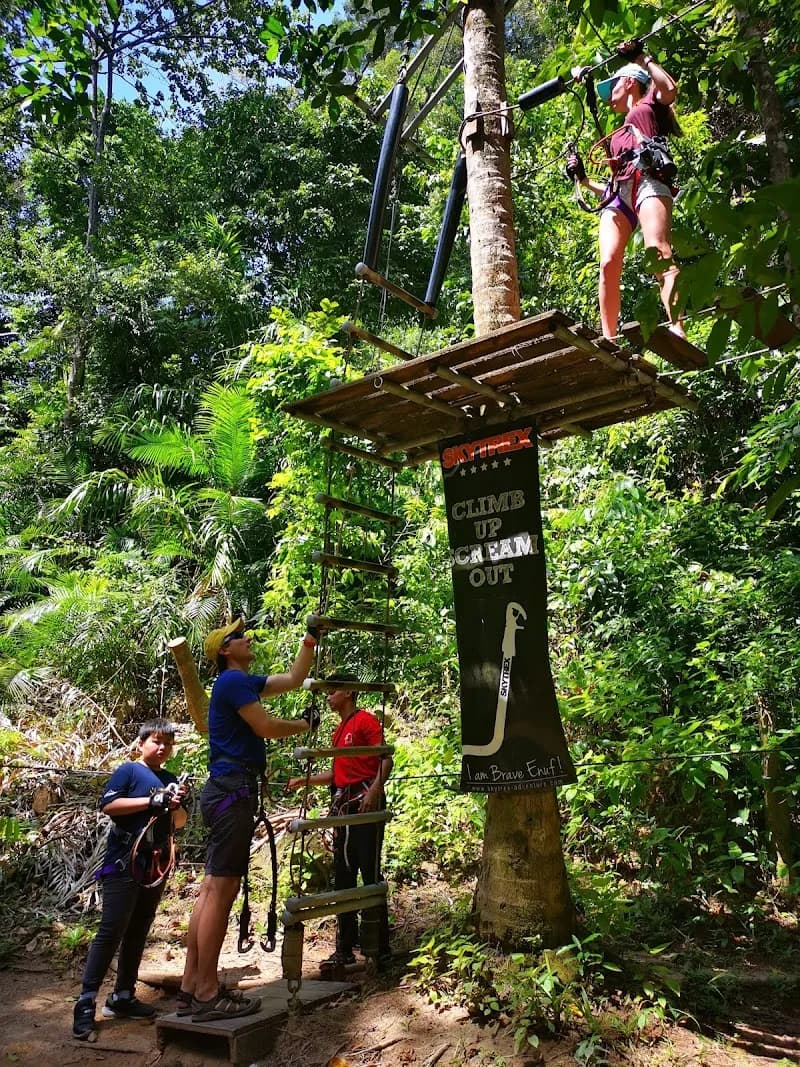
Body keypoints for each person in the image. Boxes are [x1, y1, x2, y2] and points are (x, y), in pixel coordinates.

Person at [178, 617, 320, 1022]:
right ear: (226, 650)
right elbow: (266, 726)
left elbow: (293, 678)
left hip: (226, 788)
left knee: (211, 890)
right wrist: (304, 726)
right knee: (221, 892)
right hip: (233, 789)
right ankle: (207, 992)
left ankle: (191, 986)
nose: (249, 638)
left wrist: (309, 641)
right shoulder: (233, 682)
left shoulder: (240, 682)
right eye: (241, 636)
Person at [72, 719, 188, 1040]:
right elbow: (108, 804)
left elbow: (179, 822)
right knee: (112, 929)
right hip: (125, 862)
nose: (162, 746)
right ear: (141, 744)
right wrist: (151, 801)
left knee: (138, 929)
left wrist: (174, 802)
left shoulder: (170, 778)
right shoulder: (129, 771)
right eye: (155, 740)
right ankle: (85, 1003)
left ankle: (122, 995)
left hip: (156, 863)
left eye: (167, 742)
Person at [567, 43, 686, 341]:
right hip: (621, 193)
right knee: (607, 263)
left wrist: (641, 57)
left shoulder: (649, 106)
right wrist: (583, 179)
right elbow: (612, 185)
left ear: (630, 82)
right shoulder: (618, 135)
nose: (610, 98)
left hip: (648, 180)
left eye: (614, 87)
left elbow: (669, 89)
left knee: (657, 249)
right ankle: (609, 339)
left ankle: (677, 326)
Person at [287, 672, 392, 968]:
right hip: (344, 806)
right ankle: (344, 948)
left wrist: (374, 789)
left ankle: (379, 948)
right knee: (344, 876)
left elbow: (386, 758)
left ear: (347, 692)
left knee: (369, 872)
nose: (329, 697)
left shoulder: (365, 721)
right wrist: (303, 781)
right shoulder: (340, 729)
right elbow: (337, 775)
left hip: (364, 805)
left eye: (332, 691)